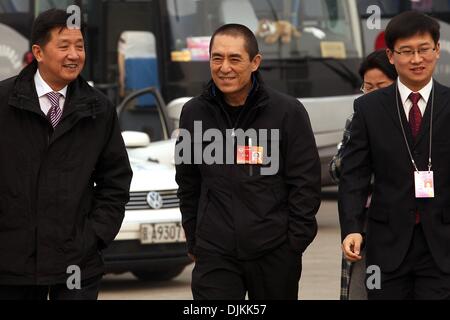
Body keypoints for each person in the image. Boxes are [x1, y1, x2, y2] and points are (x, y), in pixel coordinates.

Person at [175, 23, 321, 300]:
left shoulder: (287, 112)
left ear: (255, 63)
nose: (224, 67)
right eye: (217, 58)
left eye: (234, 59)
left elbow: (305, 182)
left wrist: (294, 243)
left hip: (274, 252)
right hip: (214, 252)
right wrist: (195, 237)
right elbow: (187, 181)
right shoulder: (193, 113)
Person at [0, 9, 132, 300]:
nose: (74, 55)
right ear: (38, 52)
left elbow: (116, 182)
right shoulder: (4, 102)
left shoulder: (99, 109)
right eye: (64, 46)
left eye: (80, 46)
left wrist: (93, 236)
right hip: (11, 265)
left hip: (76, 264)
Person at [339, 10, 450, 299]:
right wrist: (351, 227)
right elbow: (354, 174)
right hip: (386, 244)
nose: (416, 59)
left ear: (437, 50)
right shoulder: (369, 108)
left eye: (424, 49)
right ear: (390, 55)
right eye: (406, 51)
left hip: (442, 245)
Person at [329, 49, 397, 300]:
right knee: (361, 290)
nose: (373, 93)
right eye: (368, 87)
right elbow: (337, 171)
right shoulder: (357, 119)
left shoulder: (411, 122)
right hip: (365, 225)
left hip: (402, 224)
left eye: (381, 86)